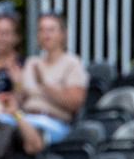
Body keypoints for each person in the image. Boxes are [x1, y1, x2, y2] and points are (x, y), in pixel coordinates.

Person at [16, 12, 89, 144]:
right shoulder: (32, 62)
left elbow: (74, 103)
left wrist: (44, 85)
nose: (46, 35)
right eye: (41, 30)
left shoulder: (72, 63)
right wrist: (16, 83)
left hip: (52, 122)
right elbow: (19, 101)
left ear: (63, 34)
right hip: (24, 118)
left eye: (51, 30)